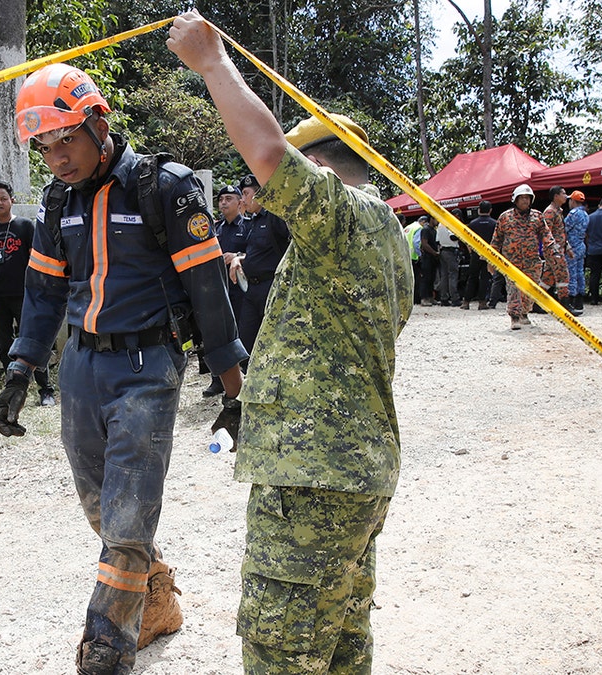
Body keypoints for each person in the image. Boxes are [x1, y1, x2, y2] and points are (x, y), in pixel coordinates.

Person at [169, 14, 414, 672]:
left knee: (282, 651)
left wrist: (212, 63)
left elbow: (271, 154)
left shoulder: (345, 214)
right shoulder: (386, 240)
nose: (268, 195)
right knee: (340, 643)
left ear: (324, 169)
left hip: (314, 481)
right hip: (352, 473)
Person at [0, 61, 246, 674]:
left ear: (99, 121)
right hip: (81, 364)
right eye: (45, 147)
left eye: (67, 140)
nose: (57, 158)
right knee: (101, 506)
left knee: (130, 510)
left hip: (149, 364)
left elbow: (207, 286)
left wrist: (231, 379)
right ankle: (154, 593)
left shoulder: (164, 187)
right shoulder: (58, 202)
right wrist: (23, 364)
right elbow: (44, 290)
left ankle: (107, 641)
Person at [0, 181, 57, 407]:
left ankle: (46, 390)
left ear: (12, 200)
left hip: (25, 295)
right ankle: (12, 390)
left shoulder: (24, 226)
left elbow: (37, 259)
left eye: (4, 198)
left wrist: (40, 289)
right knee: (4, 345)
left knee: (33, 341)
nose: (0, 203)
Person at [233, 172, 291, 352]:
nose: (243, 199)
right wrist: (238, 257)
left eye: (245, 194)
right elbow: (254, 252)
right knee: (246, 340)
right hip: (251, 289)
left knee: (273, 341)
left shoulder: (275, 216)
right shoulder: (253, 220)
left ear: (259, 194)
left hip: (271, 286)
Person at [490, 184, 562, 330]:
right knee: (513, 289)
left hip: (532, 261)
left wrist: (554, 251)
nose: (524, 201)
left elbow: (546, 235)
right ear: (515, 200)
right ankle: (514, 317)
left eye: (527, 198)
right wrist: (491, 260)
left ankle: (524, 313)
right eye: (521, 198)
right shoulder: (505, 217)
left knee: (530, 289)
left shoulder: (537, 216)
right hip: (511, 261)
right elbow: (496, 239)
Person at [204, 183, 248, 397]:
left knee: (243, 331)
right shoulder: (216, 229)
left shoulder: (247, 226)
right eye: (221, 199)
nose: (223, 203)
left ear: (240, 203)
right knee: (219, 333)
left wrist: (237, 255)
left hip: (241, 288)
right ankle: (218, 380)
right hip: (220, 288)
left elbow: (256, 253)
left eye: (228, 199)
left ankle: (243, 376)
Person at [540, 186, 575, 314]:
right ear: (556, 196)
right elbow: (546, 232)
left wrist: (567, 247)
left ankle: (535, 303)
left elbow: (560, 232)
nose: (566, 196)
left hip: (558, 249)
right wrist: (555, 249)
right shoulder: (550, 212)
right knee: (563, 275)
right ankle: (564, 306)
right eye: (564, 193)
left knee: (548, 278)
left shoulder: (558, 211)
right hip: (553, 250)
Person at [462, 200, 496, 310]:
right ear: (490, 210)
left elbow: (467, 240)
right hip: (488, 255)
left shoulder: (473, 224)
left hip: (475, 254)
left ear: (479, 210)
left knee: (472, 277)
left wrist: (471, 251)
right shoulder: (494, 223)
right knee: (485, 278)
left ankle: (466, 302)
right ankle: (482, 302)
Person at [564, 190, 589, 313]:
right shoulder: (585, 214)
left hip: (572, 247)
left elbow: (564, 228)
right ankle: (580, 301)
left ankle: (571, 301)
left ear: (573, 201)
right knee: (580, 273)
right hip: (581, 245)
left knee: (571, 274)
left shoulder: (573, 213)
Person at [435, 210, 461, 306]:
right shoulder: (450, 223)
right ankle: (455, 298)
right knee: (452, 275)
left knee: (444, 276)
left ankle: (444, 298)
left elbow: (437, 241)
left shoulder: (440, 224)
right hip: (451, 251)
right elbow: (453, 237)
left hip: (443, 251)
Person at [418, 215, 439, 306]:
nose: (437, 221)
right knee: (425, 278)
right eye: (436, 219)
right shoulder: (425, 229)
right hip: (427, 257)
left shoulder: (434, 230)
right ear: (431, 219)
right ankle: (424, 298)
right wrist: (434, 252)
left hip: (433, 258)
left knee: (432, 278)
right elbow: (424, 244)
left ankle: (430, 297)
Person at [402, 216, 424, 304]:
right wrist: (420, 254)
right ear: (423, 221)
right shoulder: (419, 228)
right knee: (416, 279)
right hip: (413, 257)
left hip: (404, 256)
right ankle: (416, 299)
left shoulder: (408, 227)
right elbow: (416, 242)